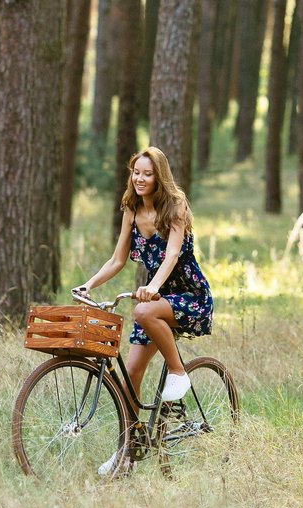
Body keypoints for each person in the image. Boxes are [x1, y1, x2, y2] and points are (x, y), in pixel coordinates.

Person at [72, 146, 213, 475]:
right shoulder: (132, 208)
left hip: (188, 295)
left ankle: (179, 373)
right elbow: (118, 259)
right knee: (130, 374)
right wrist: (88, 285)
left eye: (147, 174)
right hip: (155, 299)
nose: (140, 178)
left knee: (143, 313)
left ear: (159, 177)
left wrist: (153, 288)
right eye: (136, 172)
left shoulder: (175, 206)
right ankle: (128, 454)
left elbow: (172, 255)